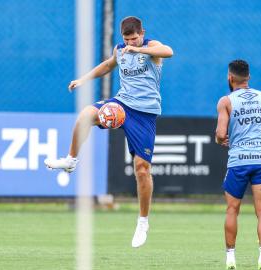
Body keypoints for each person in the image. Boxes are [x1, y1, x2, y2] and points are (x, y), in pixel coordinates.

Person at [44, 16, 173, 248]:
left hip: (144, 113)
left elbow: (169, 52)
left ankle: (143, 221)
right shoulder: (120, 49)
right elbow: (107, 65)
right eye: (127, 39)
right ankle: (71, 160)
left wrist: (139, 49)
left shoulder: (151, 48)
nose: (131, 42)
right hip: (121, 104)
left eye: (134, 38)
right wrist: (82, 80)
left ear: (142, 33)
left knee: (142, 170)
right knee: (85, 115)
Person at [215, 60, 261, 270]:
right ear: (248, 77)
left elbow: (221, 134)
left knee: (232, 210)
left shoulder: (226, 101)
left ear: (230, 78)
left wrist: (220, 139)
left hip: (239, 161)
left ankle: (231, 258)